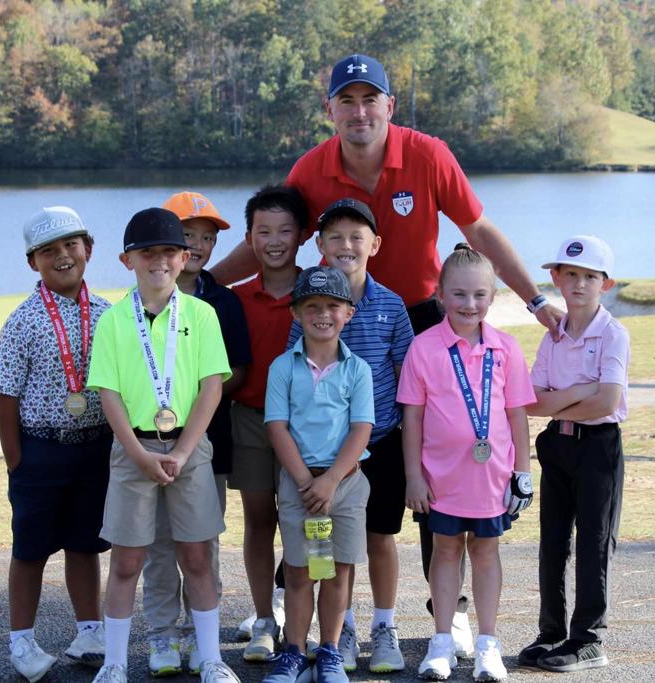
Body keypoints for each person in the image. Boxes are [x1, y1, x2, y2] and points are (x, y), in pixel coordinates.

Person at [210, 53, 563, 653]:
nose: (359, 111)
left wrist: (534, 300)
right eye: (346, 101)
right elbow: (275, 241)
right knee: (323, 456)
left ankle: (444, 613)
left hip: (416, 317)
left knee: (428, 461)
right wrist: (202, 287)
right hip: (332, 314)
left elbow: (478, 231)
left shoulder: (428, 155)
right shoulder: (311, 169)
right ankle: (310, 606)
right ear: (329, 109)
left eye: (369, 99)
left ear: (389, 106)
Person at [85, 208, 240, 683]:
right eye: (147, 252)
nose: (159, 261)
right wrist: (137, 453)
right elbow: (109, 393)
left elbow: (211, 387)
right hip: (133, 449)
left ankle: (210, 658)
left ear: (184, 257)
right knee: (127, 561)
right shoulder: (114, 321)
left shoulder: (201, 314)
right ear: (127, 260)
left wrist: (183, 451)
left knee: (196, 557)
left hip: (189, 449)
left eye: (170, 251)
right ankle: (114, 664)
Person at [285, 199, 413, 674]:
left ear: (374, 245)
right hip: (322, 452)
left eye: (356, 237)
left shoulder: (391, 305)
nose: (346, 245)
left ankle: (384, 626)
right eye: (335, 237)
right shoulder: (311, 302)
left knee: (378, 537)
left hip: (380, 441)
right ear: (320, 244)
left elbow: (406, 377)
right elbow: (295, 374)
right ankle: (343, 630)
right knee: (331, 547)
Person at [398, 245, 537, 682]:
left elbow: (516, 414)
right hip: (440, 477)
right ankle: (441, 641)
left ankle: (487, 645)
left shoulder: (506, 348)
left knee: (485, 551)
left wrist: (523, 472)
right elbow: (412, 417)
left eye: (479, 294)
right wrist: (413, 476)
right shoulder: (423, 347)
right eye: (458, 294)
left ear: (492, 296)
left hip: (492, 476)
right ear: (440, 295)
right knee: (444, 550)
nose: (469, 304)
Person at [0, 206, 112, 682]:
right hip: (40, 449)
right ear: (32, 262)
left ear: (88, 249)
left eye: (70, 245)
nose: (62, 256)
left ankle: (90, 632)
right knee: (31, 548)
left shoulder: (108, 314)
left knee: (86, 544)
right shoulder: (22, 321)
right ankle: (22, 641)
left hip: (95, 447)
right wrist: (17, 463)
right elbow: (5, 395)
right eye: (48, 251)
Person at [140, 192, 252, 675]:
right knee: (158, 544)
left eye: (207, 238)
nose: (199, 245)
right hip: (150, 443)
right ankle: (163, 634)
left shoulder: (223, 301)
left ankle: (199, 635)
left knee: (201, 543)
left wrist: (197, 398)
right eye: (189, 235)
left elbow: (237, 369)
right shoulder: (141, 304)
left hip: (208, 440)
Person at [518, 235, 629, 674]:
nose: (579, 284)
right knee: (553, 542)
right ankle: (551, 633)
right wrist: (582, 389)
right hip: (557, 445)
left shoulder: (613, 334)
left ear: (606, 284)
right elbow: (533, 403)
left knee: (593, 542)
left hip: (599, 446)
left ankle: (588, 639)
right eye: (571, 275)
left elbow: (606, 403)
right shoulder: (554, 337)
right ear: (557, 280)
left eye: (590, 276)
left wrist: (562, 400)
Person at [262, 266, 374, 683]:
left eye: (332, 306)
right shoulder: (283, 367)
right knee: (298, 571)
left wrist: (330, 481)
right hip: (298, 484)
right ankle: (293, 651)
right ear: (295, 313)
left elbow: (361, 428)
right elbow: (277, 427)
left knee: (337, 570)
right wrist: (306, 482)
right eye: (311, 306)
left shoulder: (357, 369)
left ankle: (328, 650)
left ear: (348, 313)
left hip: (345, 483)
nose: (322, 314)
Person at [228, 185, 307, 661]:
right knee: (260, 521)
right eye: (263, 232)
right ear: (249, 238)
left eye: (284, 230)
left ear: (302, 235)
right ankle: (263, 618)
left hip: (307, 428)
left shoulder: (318, 290)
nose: (274, 241)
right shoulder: (235, 299)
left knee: (304, 526)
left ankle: (302, 622)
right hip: (251, 422)